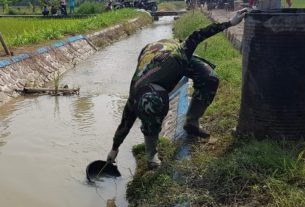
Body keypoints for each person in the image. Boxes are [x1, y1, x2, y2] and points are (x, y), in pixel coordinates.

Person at [106, 9, 248, 168]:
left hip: (171, 52)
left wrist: (230, 22)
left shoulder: (177, 59)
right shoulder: (136, 92)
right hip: (150, 55)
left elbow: (197, 35)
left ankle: (192, 122)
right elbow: (125, 123)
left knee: (209, 78)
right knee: (151, 108)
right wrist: (114, 149)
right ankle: (151, 154)